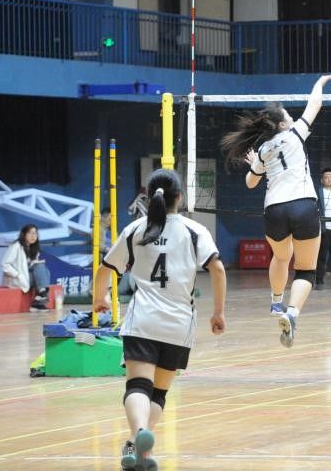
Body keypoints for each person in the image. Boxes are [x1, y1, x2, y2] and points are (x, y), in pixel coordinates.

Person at [93, 169, 227, 471]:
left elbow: (105, 269)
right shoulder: (194, 230)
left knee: (138, 386)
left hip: (142, 320)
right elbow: (217, 269)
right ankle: (139, 448)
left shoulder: (136, 229)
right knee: (159, 393)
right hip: (178, 325)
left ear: (150, 196)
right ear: (179, 197)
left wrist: (99, 299)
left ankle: (138, 437)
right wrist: (218, 312)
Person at [221, 74, 331, 347]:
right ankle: (292, 313)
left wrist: (254, 165)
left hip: (274, 211)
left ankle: (276, 302)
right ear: (283, 124)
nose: (293, 118)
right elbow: (315, 104)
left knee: (282, 258)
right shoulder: (295, 133)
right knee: (306, 270)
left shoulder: (263, 150)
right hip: (303, 205)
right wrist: (319, 83)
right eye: (289, 116)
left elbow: (250, 183)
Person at [1, 224, 52, 311]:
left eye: (35, 233)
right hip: (17, 278)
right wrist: (17, 275)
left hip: (27, 277)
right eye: (30, 233)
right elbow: (5, 264)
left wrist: (34, 263)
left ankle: (39, 298)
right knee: (40, 267)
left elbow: (27, 266)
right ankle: (40, 299)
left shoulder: (34, 248)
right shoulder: (16, 246)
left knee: (45, 269)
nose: (33, 236)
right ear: (23, 234)